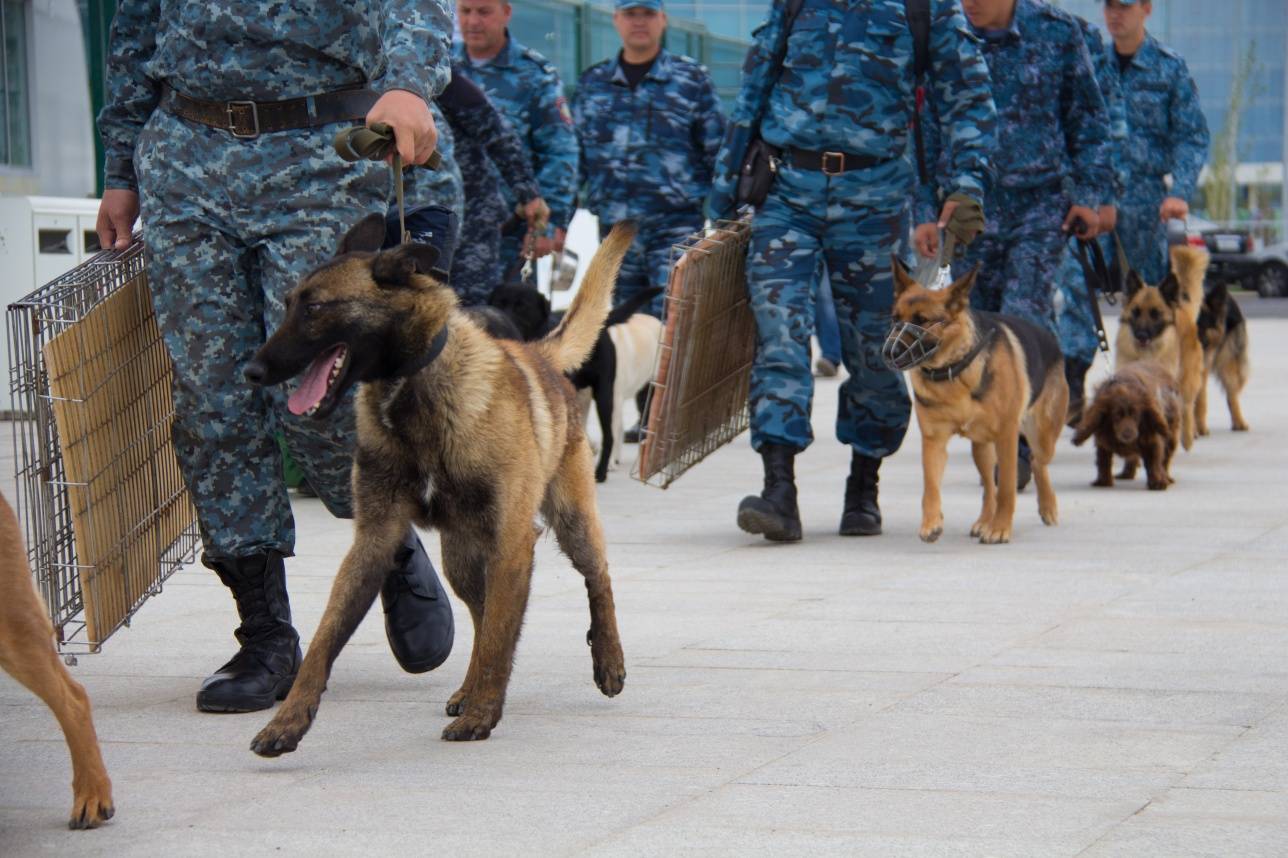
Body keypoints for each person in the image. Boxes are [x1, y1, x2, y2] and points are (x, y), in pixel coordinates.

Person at [95, 0, 457, 714]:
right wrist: (120, 166)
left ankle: (389, 546)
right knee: (213, 403)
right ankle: (265, 634)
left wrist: (409, 82)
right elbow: (135, 29)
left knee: (318, 402)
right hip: (187, 161)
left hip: (319, 155)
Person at [708, 0, 997, 543]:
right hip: (786, 192)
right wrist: (724, 191)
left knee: (876, 347)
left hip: (876, 197)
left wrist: (966, 183)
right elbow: (755, 86)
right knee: (779, 333)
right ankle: (779, 489)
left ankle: (864, 483)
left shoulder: (925, 7)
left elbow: (969, 97)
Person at [915, 0, 1114, 486]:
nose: (972, 3)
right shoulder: (946, 32)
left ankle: (1019, 446)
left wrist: (1090, 196)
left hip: (1039, 204)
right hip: (967, 209)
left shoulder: (1057, 33)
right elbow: (923, 131)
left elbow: (1089, 119)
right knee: (977, 323)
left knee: (1023, 311)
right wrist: (923, 210)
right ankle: (993, 427)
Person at [1056, 0, 1209, 418]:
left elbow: (1192, 136)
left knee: (1154, 299)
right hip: (1092, 197)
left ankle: (1158, 388)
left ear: (1146, 9)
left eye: (1124, 6)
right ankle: (1072, 384)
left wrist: (1180, 190)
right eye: (1108, 6)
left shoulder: (1168, 68)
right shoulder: (1088, 64)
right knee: (1077, 288)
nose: (1114, 15)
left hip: (1146, 205)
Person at [572, 0, 726, 320]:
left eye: (647, 14)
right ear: (616, 20)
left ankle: (669, 375)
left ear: (663, 20)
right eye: (630, 14)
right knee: (624, 325)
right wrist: (558, 219)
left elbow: (718, 152)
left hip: (675, 227)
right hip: (616, 231)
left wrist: (728, 215)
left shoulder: (691, 80)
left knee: (675, 321)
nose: (639, 22)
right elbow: (577, 158)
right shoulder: (593, 83)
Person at [454, 0, 579, 282]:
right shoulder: (440, 67)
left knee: (506, 321)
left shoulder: (535, 76)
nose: (473, 21)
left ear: (506, 13)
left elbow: (560, 153)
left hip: (508, 235)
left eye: (483, 12)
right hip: (446, 227)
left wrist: (549, 224)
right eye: (465, 11)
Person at [438, 63, 548, 306]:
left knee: (474, 312)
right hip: (412, 219)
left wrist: (529, 194)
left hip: (472, 218)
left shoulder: (441, 79)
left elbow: (498, 136)